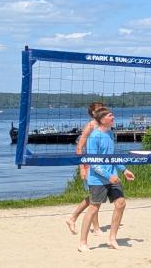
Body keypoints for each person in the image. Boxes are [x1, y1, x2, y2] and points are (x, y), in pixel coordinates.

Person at [78, 107, 135, 252]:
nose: (113, 117)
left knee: (121, 203)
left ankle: (112, 239)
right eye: (111, 116)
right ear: (103, 119)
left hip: (112, 177)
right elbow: (94, 162)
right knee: (93, 208)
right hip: (98, 179)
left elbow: (112, 156)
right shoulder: (94, 137)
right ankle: (82, 242)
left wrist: (124, 170)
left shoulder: (110, 134)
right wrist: (108, 176)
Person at [65, 101, 103, 235]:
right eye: (98, 109)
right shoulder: (90, 126)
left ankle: (95, 227)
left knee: (95, 196)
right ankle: (73, 217)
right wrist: (82, 168)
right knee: (94, 196)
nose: (101, 110)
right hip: (89, 164)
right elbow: (79, 148)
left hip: (99, 164)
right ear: (92, 112)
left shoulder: (102, 126)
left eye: (102, 108)